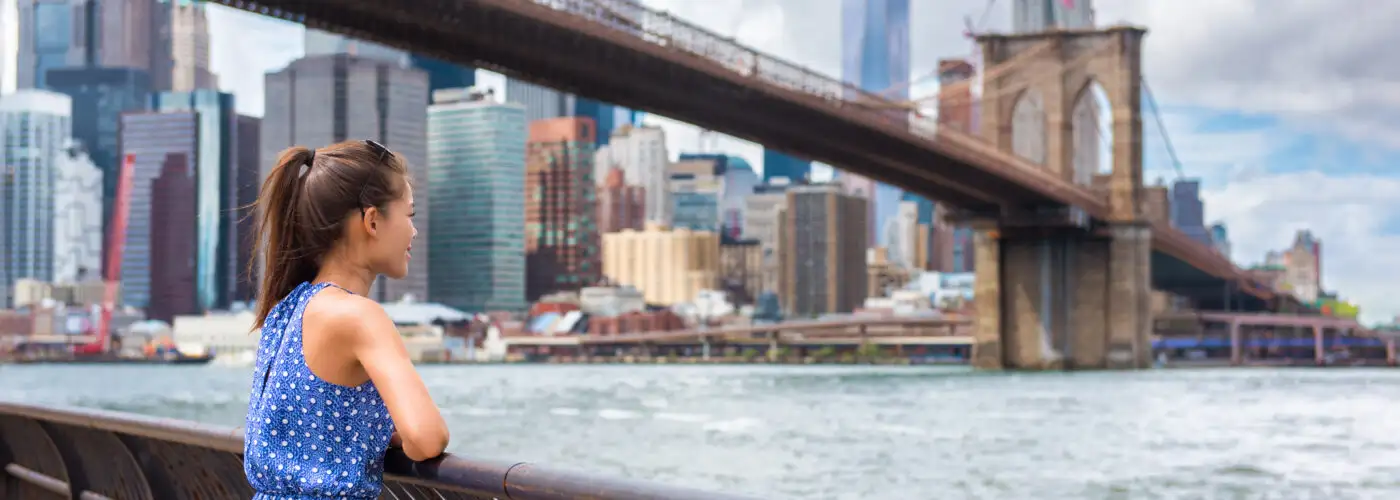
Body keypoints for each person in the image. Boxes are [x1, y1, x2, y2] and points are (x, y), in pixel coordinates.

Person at [243, 140, 449, 499]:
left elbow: (311, 422)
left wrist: (372, 431)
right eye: (409, 215)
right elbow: (425, 437)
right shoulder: (358, 316)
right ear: (372, 220)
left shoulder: (287, 310)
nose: (413, 232)